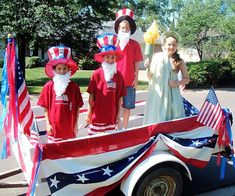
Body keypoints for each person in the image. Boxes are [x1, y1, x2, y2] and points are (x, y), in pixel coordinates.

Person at [37, 46, 84, 142]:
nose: (62, 71)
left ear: (68, 69)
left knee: (69, 151)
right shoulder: (48, 86)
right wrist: (47, 124)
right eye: (59, 68)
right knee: (54, 152)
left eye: (64, 68)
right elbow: (45, 107)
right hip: (54, 128)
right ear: (54, 70)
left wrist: (75, 125)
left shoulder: (74, 87)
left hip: (69, 127)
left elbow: (77, 108)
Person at [143, 31, 190, 124]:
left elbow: (187, 79)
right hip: (159, 94)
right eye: (169, 44)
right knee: (158, 117)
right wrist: (148, 67)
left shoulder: (179, 61)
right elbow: (150, 77)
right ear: (164, 45)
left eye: (174, 45)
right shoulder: (157, 57)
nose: (171, 47)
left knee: (175, 115)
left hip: (173, 94)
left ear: (176, 47)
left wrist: (176, 83)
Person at [85, 33, 126, 135]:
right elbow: (91, 95)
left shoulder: (119, 76)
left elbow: (120, 97)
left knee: (109, 143)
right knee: (93, 142)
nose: (110, 60)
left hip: (111, 118)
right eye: (108, 57)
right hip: (97, 116)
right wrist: (89, 112)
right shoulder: (96, 74)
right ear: (103, 57)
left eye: (113, 57)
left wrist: (118, 115)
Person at [114, 8, 143, 129]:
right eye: (122, 28)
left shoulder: (135, 44)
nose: (125, 29)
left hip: (130, 81)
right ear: (118, 29)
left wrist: (136, 79)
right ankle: (116, 127)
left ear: (130, 29)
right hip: (115, 81)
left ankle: (125, 128)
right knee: (116, 105)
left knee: (128, 106)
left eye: (127, 28)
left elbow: (137, 63)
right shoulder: (113, 43)